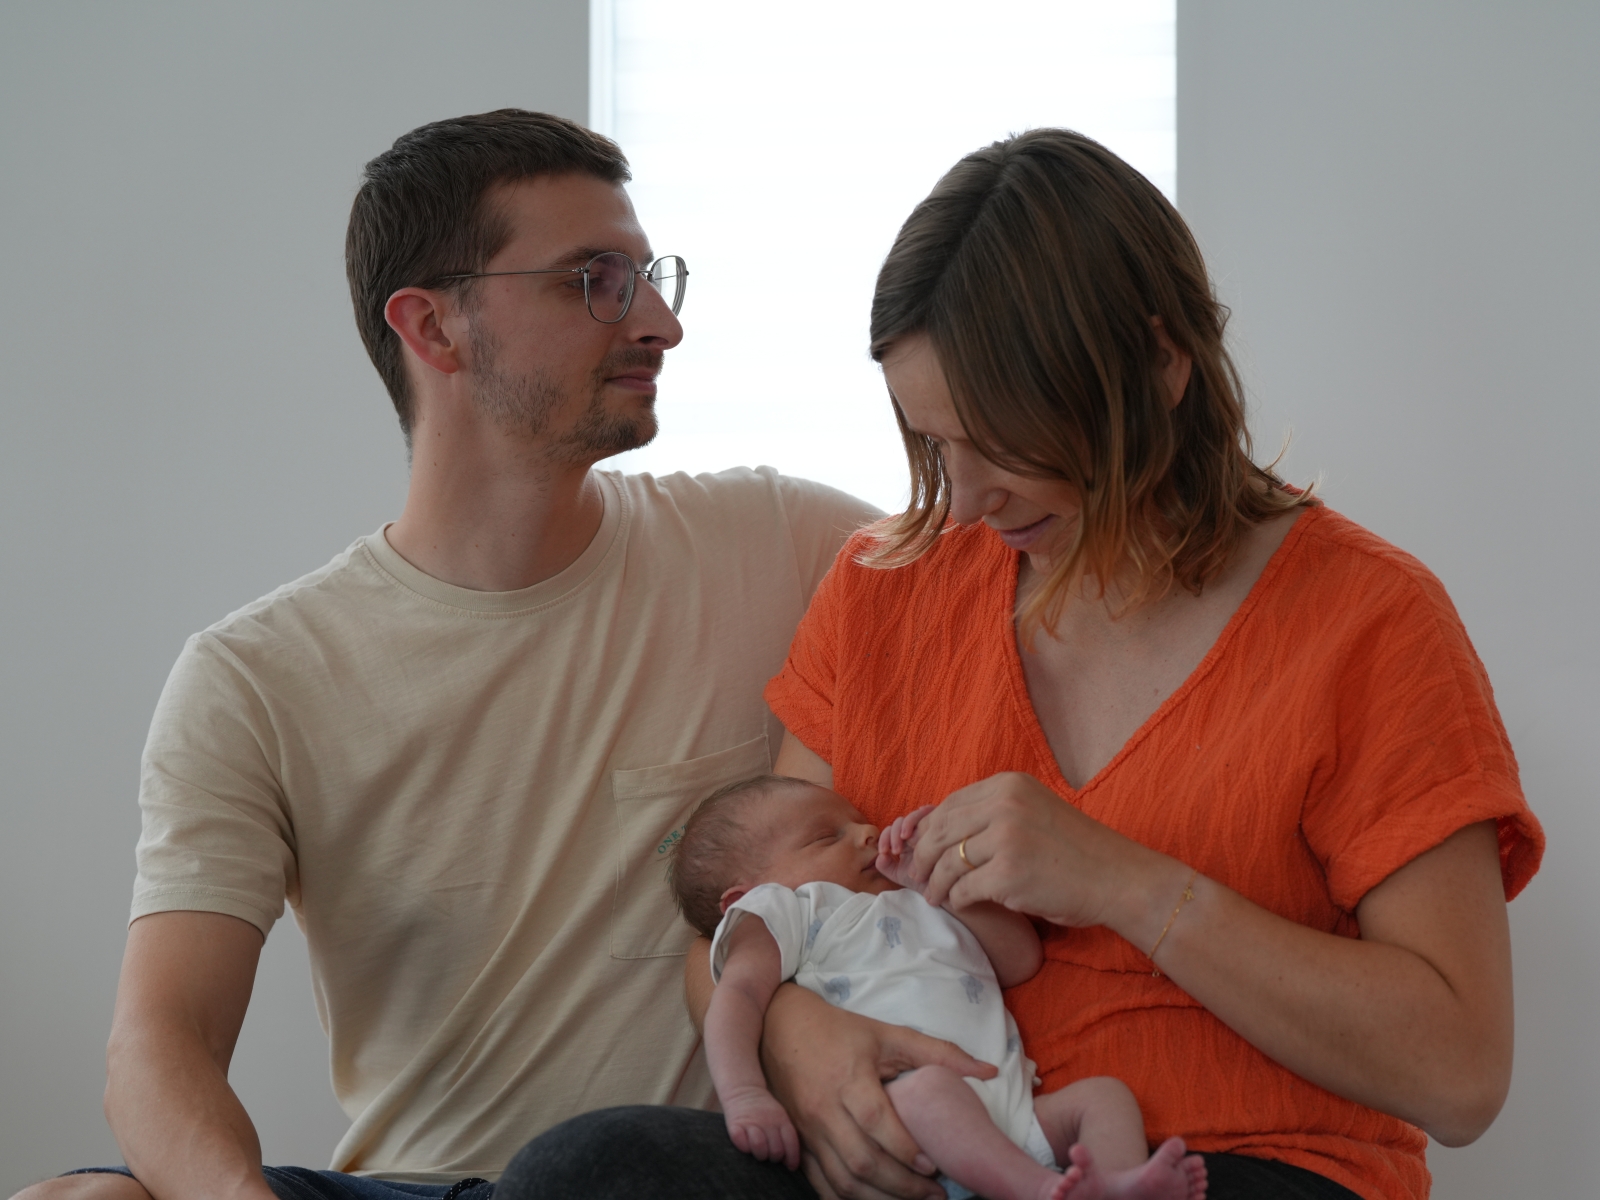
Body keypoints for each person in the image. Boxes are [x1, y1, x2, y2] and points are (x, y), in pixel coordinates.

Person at [499, 129, 1544, 1200]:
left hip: (1230, 1165)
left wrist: (1121, 882)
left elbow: (1461, 1075)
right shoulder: (883, 587)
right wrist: (800, 1042)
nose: (965, 499)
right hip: (933, 1148)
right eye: (934, 445)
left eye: (1001, 440)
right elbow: (738, 923)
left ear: (1159, 363)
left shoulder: (1370, 621)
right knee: (582, 1174)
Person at [13, 110, 881, 1200]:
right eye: (595, 282)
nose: (658, 322)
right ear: (433, 328)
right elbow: (157, 1046)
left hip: (666, 1173)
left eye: (650, 279)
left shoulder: (789, 543)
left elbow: (1015, 581)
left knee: (585, 1174)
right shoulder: (255, 678)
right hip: (415, 1186)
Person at [673, 774, 1209, 1200]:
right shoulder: (790, 910)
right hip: (899, 1121)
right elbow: (737, 998)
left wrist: (936, 882)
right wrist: (744, 1095)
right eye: (826, 837)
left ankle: (1117, 1185)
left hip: (1008, 1115)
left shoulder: (914, 901)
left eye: (859, 822)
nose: (866, 832)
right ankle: (1043, 1191)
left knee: (1103, 1098)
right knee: (931, 1090)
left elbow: (1020, 960)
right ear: (744, 897)